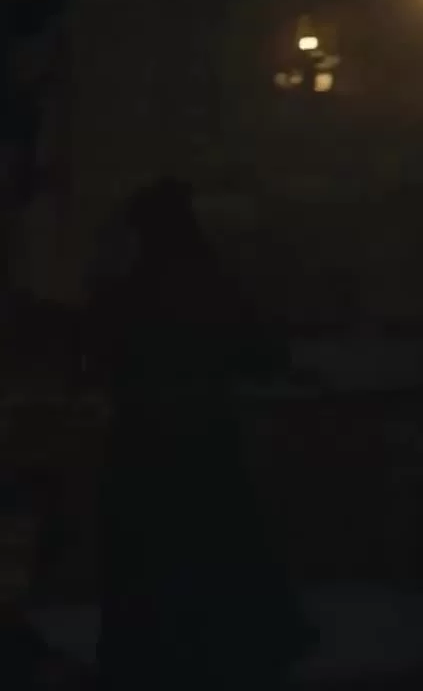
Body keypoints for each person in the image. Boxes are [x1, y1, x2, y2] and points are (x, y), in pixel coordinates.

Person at [90, 179, 308, 691]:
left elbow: (102, 359)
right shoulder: (208, 283)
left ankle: (160, 656)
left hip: (146, 446)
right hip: (201, 441)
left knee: (154, 558)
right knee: (213, 549)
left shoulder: (130, 289)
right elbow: (260, 353)